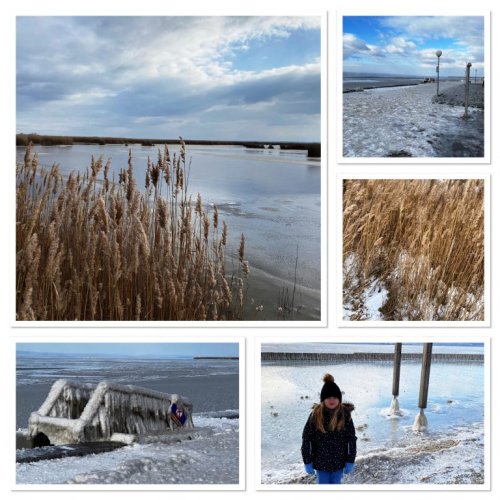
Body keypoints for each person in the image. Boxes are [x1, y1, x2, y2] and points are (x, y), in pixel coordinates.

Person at [301, 373, 357, 484]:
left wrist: (350, 460)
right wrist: (307, 461)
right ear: (323, 399)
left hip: (339, 462)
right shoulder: (315, 415)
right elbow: (306, 438)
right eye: (328, 397)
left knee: (336, 484)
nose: (332, 400)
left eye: (335, 397)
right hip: (321, 463)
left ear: (339, 399)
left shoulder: (345, 415)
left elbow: (351, 439)